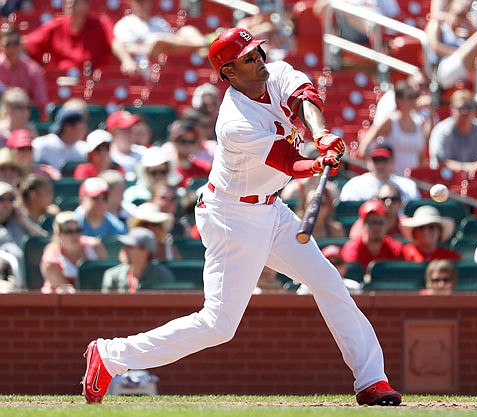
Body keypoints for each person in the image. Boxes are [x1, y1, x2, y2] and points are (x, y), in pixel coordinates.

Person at [82, 27, 402, 407]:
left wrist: (323, 135)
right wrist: (318, 162)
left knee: (329, 282)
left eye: (257, 53)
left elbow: (304, 99)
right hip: (232, 215)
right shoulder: (233, 121)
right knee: (218, 324)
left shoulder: (277, 72)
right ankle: (111, 355)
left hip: (271, 208)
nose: (259, 60)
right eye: (248, 58)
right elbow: (287, 160)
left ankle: (371, 380)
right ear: (229, 73)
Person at [24, 0, 137, 75]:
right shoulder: (55, 26)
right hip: (64, 82)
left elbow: (114, 42)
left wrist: (126, 60)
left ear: (86, 5)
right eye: (67, 0)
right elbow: (27, 44)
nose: (70, 3)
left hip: (94, 83)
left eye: (76, 0)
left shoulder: (100, 23)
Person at [425, 0, 477, 90]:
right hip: (442, 71)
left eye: (464, 16)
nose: (460, 19)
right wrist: (461, 52)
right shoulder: (438, 26)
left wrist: (472, 31)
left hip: (463, 70)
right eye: (458, 14)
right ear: (449, 12)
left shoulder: (463, 33)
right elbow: (435, 47)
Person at [358, 81, 426, 175]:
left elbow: (421, 158)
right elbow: (364, 148)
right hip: (390, 181)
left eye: (416, 96)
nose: (414, 100)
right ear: (399, 100)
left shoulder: (420, 122)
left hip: (411, 183)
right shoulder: (390, 121)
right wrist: (378, 167)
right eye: (410, 97)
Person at [428, 89, 477, 173]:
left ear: (474, 110)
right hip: (448, 181)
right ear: (452, 109)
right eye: (461, 108)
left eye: (469, 108)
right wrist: (473, 167)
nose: (465, 112)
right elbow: (440, 163)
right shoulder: (441, 131)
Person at [114, 0, 209, 62]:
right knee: (159, 41)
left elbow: (172, 40)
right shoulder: (125, 23)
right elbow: (120, 44)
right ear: (133, 4)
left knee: (188, 30)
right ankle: (206, 45)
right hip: (148, 55)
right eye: (139, 2)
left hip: (170, 54)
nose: (142, 5)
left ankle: (205, 45)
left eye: (145, 2)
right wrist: (127, 60)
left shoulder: (158, 22)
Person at [40, 211, 108, 294]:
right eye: (69, 232)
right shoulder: (50, 261)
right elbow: (69, 294)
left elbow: (107, 274)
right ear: (59, 234)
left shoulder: (96, 246)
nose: (75, 236)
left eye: (78, 230)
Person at [101, 227, 176, 293]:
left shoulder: (162, 276)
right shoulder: (112, 275)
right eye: (125, 246)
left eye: (130, 247)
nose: (125, 250)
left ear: (146, 251)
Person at [340, 144, 420, 202]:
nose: (380, 165)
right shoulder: (354, 185)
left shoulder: (408, 186)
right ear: (368, 162)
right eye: (376, 161)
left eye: (384, 160)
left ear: (392, 161)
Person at [341, 199, 404, 270]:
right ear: (363, 224)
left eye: (380, 222)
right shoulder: (352, 249)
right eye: (372, 222)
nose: (376, 227)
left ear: (386, 224)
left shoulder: (396, 249)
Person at [0, 26, 47, 108]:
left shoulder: (32, 69)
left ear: (21, 44)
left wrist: (20, 103)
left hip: (25, 116)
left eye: (16, 43)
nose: (12, 48)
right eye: (8, 45)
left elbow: (41, 102)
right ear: (1, 46)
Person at [32, 106, 88, 171]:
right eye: (81, 127)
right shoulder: (41, 145)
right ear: (68, 128)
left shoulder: (84, 148)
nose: (84, 130)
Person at [161, 119, 212, 187]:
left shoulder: (205, 169)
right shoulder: (164, 169)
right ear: (174, 141)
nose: (188, 145)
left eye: (192, 141)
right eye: (183, 141)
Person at [297, 245, 363, 295]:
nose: (332, 267)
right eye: (328, 264)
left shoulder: (353, 287)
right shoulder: (308, 287)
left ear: (345, 267)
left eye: (337, 263)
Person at [106, 110, 145, 180]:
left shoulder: (143, 152)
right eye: (126, 130)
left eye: (132, 128)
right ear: (114, 132)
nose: (131, 133)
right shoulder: (107, 156)